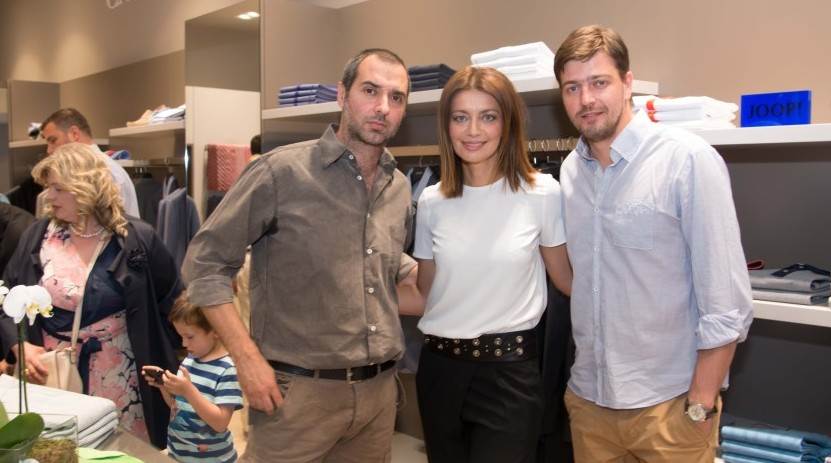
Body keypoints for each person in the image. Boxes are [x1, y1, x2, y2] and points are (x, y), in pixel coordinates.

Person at [182, 48, 419, 462]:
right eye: (370, 91)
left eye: (396, 97)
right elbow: (205, 265)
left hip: (379, 398)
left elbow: (376, 262)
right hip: (297, 400)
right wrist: (246, 359)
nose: (383, 107)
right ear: (342, 95)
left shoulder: (398, 188)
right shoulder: (282, 173)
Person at [554, 25, 754, 462]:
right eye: (572, 87)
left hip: (670, 408)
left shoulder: (687, 160)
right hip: (590, 405)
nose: (586, 99)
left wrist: (700, 404)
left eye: (599, 82)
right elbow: (582, 281)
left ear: (628, 83)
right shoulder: (569, 173)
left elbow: (727, 301)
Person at [410, 66, 572, 463]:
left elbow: (567, 282)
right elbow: (426, 292)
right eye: (460, 117)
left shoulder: (542, 193)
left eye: (487, 117)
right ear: (447, 126)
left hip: (508, 375)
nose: (473, 131)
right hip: (438, 372)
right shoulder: (431, 202)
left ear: (507, 123)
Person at [0, 142, 182, 448]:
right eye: (48, 188)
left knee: (119, 449)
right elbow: (5, 296)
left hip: (123, 379)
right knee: (58, 450)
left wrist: (196, 361)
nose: (48, 197)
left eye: (58, 189)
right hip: (54, 377)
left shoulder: (135, 238)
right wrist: (19, 347)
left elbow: (174, 303)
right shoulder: (39, 235)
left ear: (86, 187)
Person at [143, 292, 243, 463]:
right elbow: (176, 407)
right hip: (179, 454)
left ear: (215, 330)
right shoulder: (190, 360)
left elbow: (220, 423)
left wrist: (188, 391)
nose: (184, 344)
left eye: (189, 337)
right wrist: (164, 386)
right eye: (181, 336)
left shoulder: (227, 370)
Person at [40, 108, 141, 218]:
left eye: (53, 140)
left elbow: (112, 224)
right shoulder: (80, 171)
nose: (49, 150)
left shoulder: (105, 171)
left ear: (74, 134)